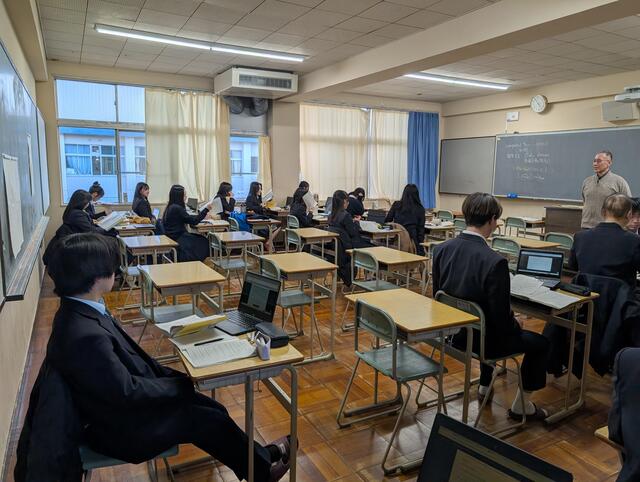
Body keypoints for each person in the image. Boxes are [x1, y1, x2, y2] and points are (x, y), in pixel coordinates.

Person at [27, 233, 291, 482]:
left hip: (117, 413)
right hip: (123, 429)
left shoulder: (77, 312)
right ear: (93, 276)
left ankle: (259, 460)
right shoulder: (83, 334)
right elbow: (126, 392)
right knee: (209, 418)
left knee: (213, 409)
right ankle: (262, 471)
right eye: (110, 266)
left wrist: (176, 383)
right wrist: (179, 384)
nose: (115, 271)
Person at [432, 192, 549, 420]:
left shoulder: (441, 249)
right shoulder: (495, 261)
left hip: (454, 335)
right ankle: (521, 406)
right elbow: (500, 322)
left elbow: (438, 297)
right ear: (492, 220)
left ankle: (485, 385)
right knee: (541, 343)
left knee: (484, 322)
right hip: (486, 343)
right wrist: (516, 323)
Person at [569, 194, 640, 288]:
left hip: (587, 294)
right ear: (629, 215)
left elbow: (573, 266)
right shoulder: (634, 240)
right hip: (620, 296)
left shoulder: (580, 237)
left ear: (602, 212)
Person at [581, 150, 631, 229]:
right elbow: (585, 202)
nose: (595, 164)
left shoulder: (619, 182)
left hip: (609, 227)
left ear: (609, 163)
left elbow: (628, 204)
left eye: (599, 161)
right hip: (586, 226)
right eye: (594, 161)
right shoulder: (587, 181)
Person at [162, 185, 211, 262]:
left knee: (199, 238)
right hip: (178, 237)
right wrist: (206, 209)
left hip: (173, 236)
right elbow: (194, 221)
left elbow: (186, 217)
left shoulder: (170, 206)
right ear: (179, 196)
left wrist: (199, 215)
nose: (186, 197)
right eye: (184, 195)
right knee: (203, 241)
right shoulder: (177, 208)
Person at [384, 184, 426, 255]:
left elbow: (387, 220)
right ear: (417, 195)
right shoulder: (420, 209)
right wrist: (420, 248)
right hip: (412, 242)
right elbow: (421, 231)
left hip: (396, 241)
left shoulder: (396, 205)